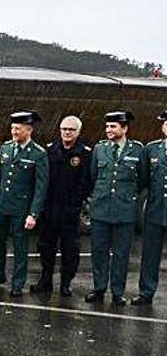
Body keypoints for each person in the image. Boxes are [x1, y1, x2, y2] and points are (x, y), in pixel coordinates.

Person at [85, 111, 147, 307]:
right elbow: (93, 175)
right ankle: (99, 288)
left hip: (124, 210)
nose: (108, 130)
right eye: (107, 126)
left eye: (113, 127)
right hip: (101, 208)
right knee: (99, 251)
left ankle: (117, 292)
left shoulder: (138, 150)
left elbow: (142, 179)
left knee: (121, 254)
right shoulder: (99, 149)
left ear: (124, 128)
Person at [0, 111, 49, 297]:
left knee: (20, 246)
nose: (14, 132)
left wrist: (34, 213)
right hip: (2, 205)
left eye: (18, 129)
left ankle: (18, 282)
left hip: (21, 208)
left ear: (28, 130)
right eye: (12, 128)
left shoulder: (38, 154)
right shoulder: (6, 148)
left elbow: (40, 187)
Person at [30, 115, 91, 296]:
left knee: (69, 249)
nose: (66, 133)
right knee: (45, 246)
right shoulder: (50, 149)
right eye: (64, 129)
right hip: (50, 207)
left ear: (78, 132)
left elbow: (86, 182)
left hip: (70, 209)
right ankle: (45, 280)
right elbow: (42, 177)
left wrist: (75, 203)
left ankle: (66, 283)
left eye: (71, 130)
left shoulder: (85, 153)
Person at [134, 111, 167, 306]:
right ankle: (146, 292)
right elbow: (144, 179)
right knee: (150, 255)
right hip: (155, 210)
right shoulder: (151, 149)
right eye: (165, 124)